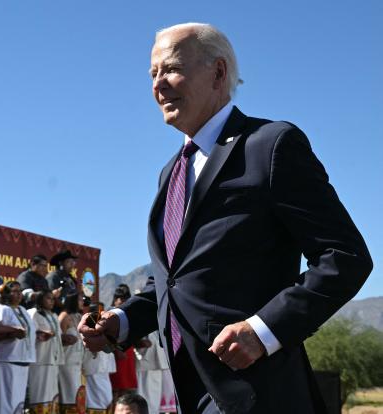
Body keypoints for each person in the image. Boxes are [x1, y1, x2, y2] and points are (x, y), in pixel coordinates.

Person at [79, 22, 373, 414]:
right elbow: (175, 279)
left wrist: (264, 331)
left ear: (217, 72)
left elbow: (344, 257)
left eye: (170, 69)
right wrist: (123, 319)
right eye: (152, 75)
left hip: (256, 390)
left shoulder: (269, 145)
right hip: (190, 390)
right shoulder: (170, 173)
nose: (158, 85)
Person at [0, 281, 36, 414]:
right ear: (5, 293)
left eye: (20, 291)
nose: (19, 294)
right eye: (15, 291)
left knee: (17, 404)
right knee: (3, 403)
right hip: (4, 361)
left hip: (22, 361)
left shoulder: (23, 310)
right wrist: (12, 333)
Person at [27, 290, 64, 412]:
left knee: (52, 396)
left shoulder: (53, 316)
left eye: (53, 299)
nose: (52, 301)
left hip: (53, 361)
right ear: (39, 299)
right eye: (48, 298)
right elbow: (29, 334)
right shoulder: (33, 313)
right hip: (40, 361)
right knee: (40, 395)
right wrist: (40, 335)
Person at [82, 303, 116, 414]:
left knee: (106, 397)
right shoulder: (87, 327)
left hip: (103, 369)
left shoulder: (104, 326)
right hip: (93, 368)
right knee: (96, 398)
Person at [109, 286, 138, 400]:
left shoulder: (129, 313)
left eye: (125, 299)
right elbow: (108, 336)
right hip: (116, 354)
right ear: (115, 300)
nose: (122, 301)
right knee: (115, 387)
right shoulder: (109, 313)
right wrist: (117, 350)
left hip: (128, 353)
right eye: (120, 298)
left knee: (127, 387)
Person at [58, 292, 84, 412]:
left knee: (78, 396)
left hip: (78, 363)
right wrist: (65, 339)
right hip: (67, 363)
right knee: (70, 396)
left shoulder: (79, 317)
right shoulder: (64, 316)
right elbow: (57, 340)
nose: (82, 301)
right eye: (79, 299)